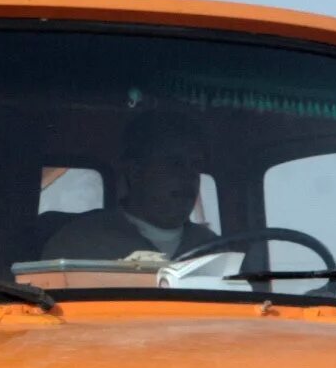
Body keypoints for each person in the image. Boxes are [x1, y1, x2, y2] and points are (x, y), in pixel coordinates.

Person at [40, 105, 220, 263]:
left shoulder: (215, 249)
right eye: (175, 164)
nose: (188, 177)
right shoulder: (78, 245)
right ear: (136, 172)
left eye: (195, 166)